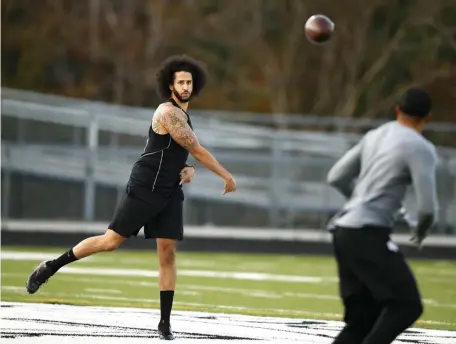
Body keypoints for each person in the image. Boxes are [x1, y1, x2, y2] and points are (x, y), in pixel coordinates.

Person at [25, 55, 237, 340]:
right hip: (146, 186)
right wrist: (225, 175)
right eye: (181, 82)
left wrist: (187, 169)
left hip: (170, 190)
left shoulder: (185, 116)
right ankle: (50, 267)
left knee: (168, 253)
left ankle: (164, 323)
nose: (186, 86)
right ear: (171, 86)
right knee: (110, 242)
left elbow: (179, 152)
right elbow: (195, 147)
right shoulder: (168, 112)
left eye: (189, 82)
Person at [326, 87, 439, 344]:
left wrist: (358, 199)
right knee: (406, 305)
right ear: (428, 117)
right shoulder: (420, 147)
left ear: (397, 110)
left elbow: (336, 177)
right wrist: (420, 231)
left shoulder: (376, 135)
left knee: (362, 322)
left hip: (343, 231)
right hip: (367, 233)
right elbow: (427, 209)